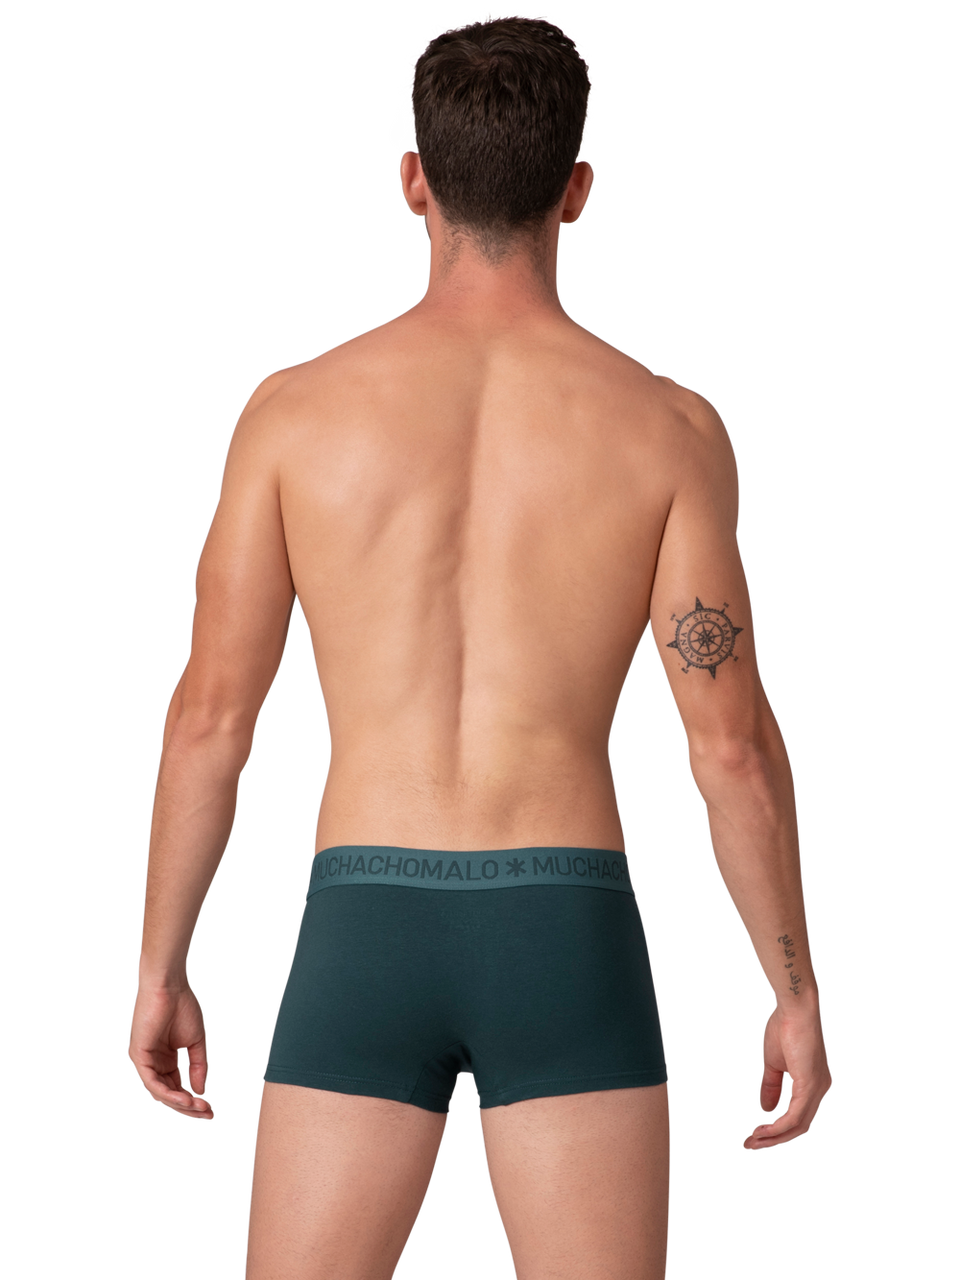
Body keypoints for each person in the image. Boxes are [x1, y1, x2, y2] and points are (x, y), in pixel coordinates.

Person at [125, 14, 834, 1278]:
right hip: (566, 926)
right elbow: (728, 744)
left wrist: (159, 966)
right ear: (579, 188)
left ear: (413, 179)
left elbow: (211, 718)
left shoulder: (291, 413)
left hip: (360, 922)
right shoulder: (668, 428)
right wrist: (795, 988)